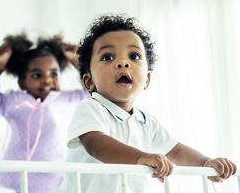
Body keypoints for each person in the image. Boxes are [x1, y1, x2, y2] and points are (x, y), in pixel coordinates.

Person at [61, 14, 237, 193]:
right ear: (89, 82)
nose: (123, 63)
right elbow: (96, 145)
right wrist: (140, 157)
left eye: (134, 55)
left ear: (147, 79)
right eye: (107, 57)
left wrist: (205, 163)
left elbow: (175, 151)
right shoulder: (91, 108)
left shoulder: (146, 122)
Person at [0, 33, 88, 193]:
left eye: (54, 74)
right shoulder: (15, 101)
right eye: (37, 75)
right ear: (22, 81)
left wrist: (77, 62)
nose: (47, 80)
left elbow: (94, 92)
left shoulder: (65, 99)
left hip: (53, 180)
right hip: (15, 178)